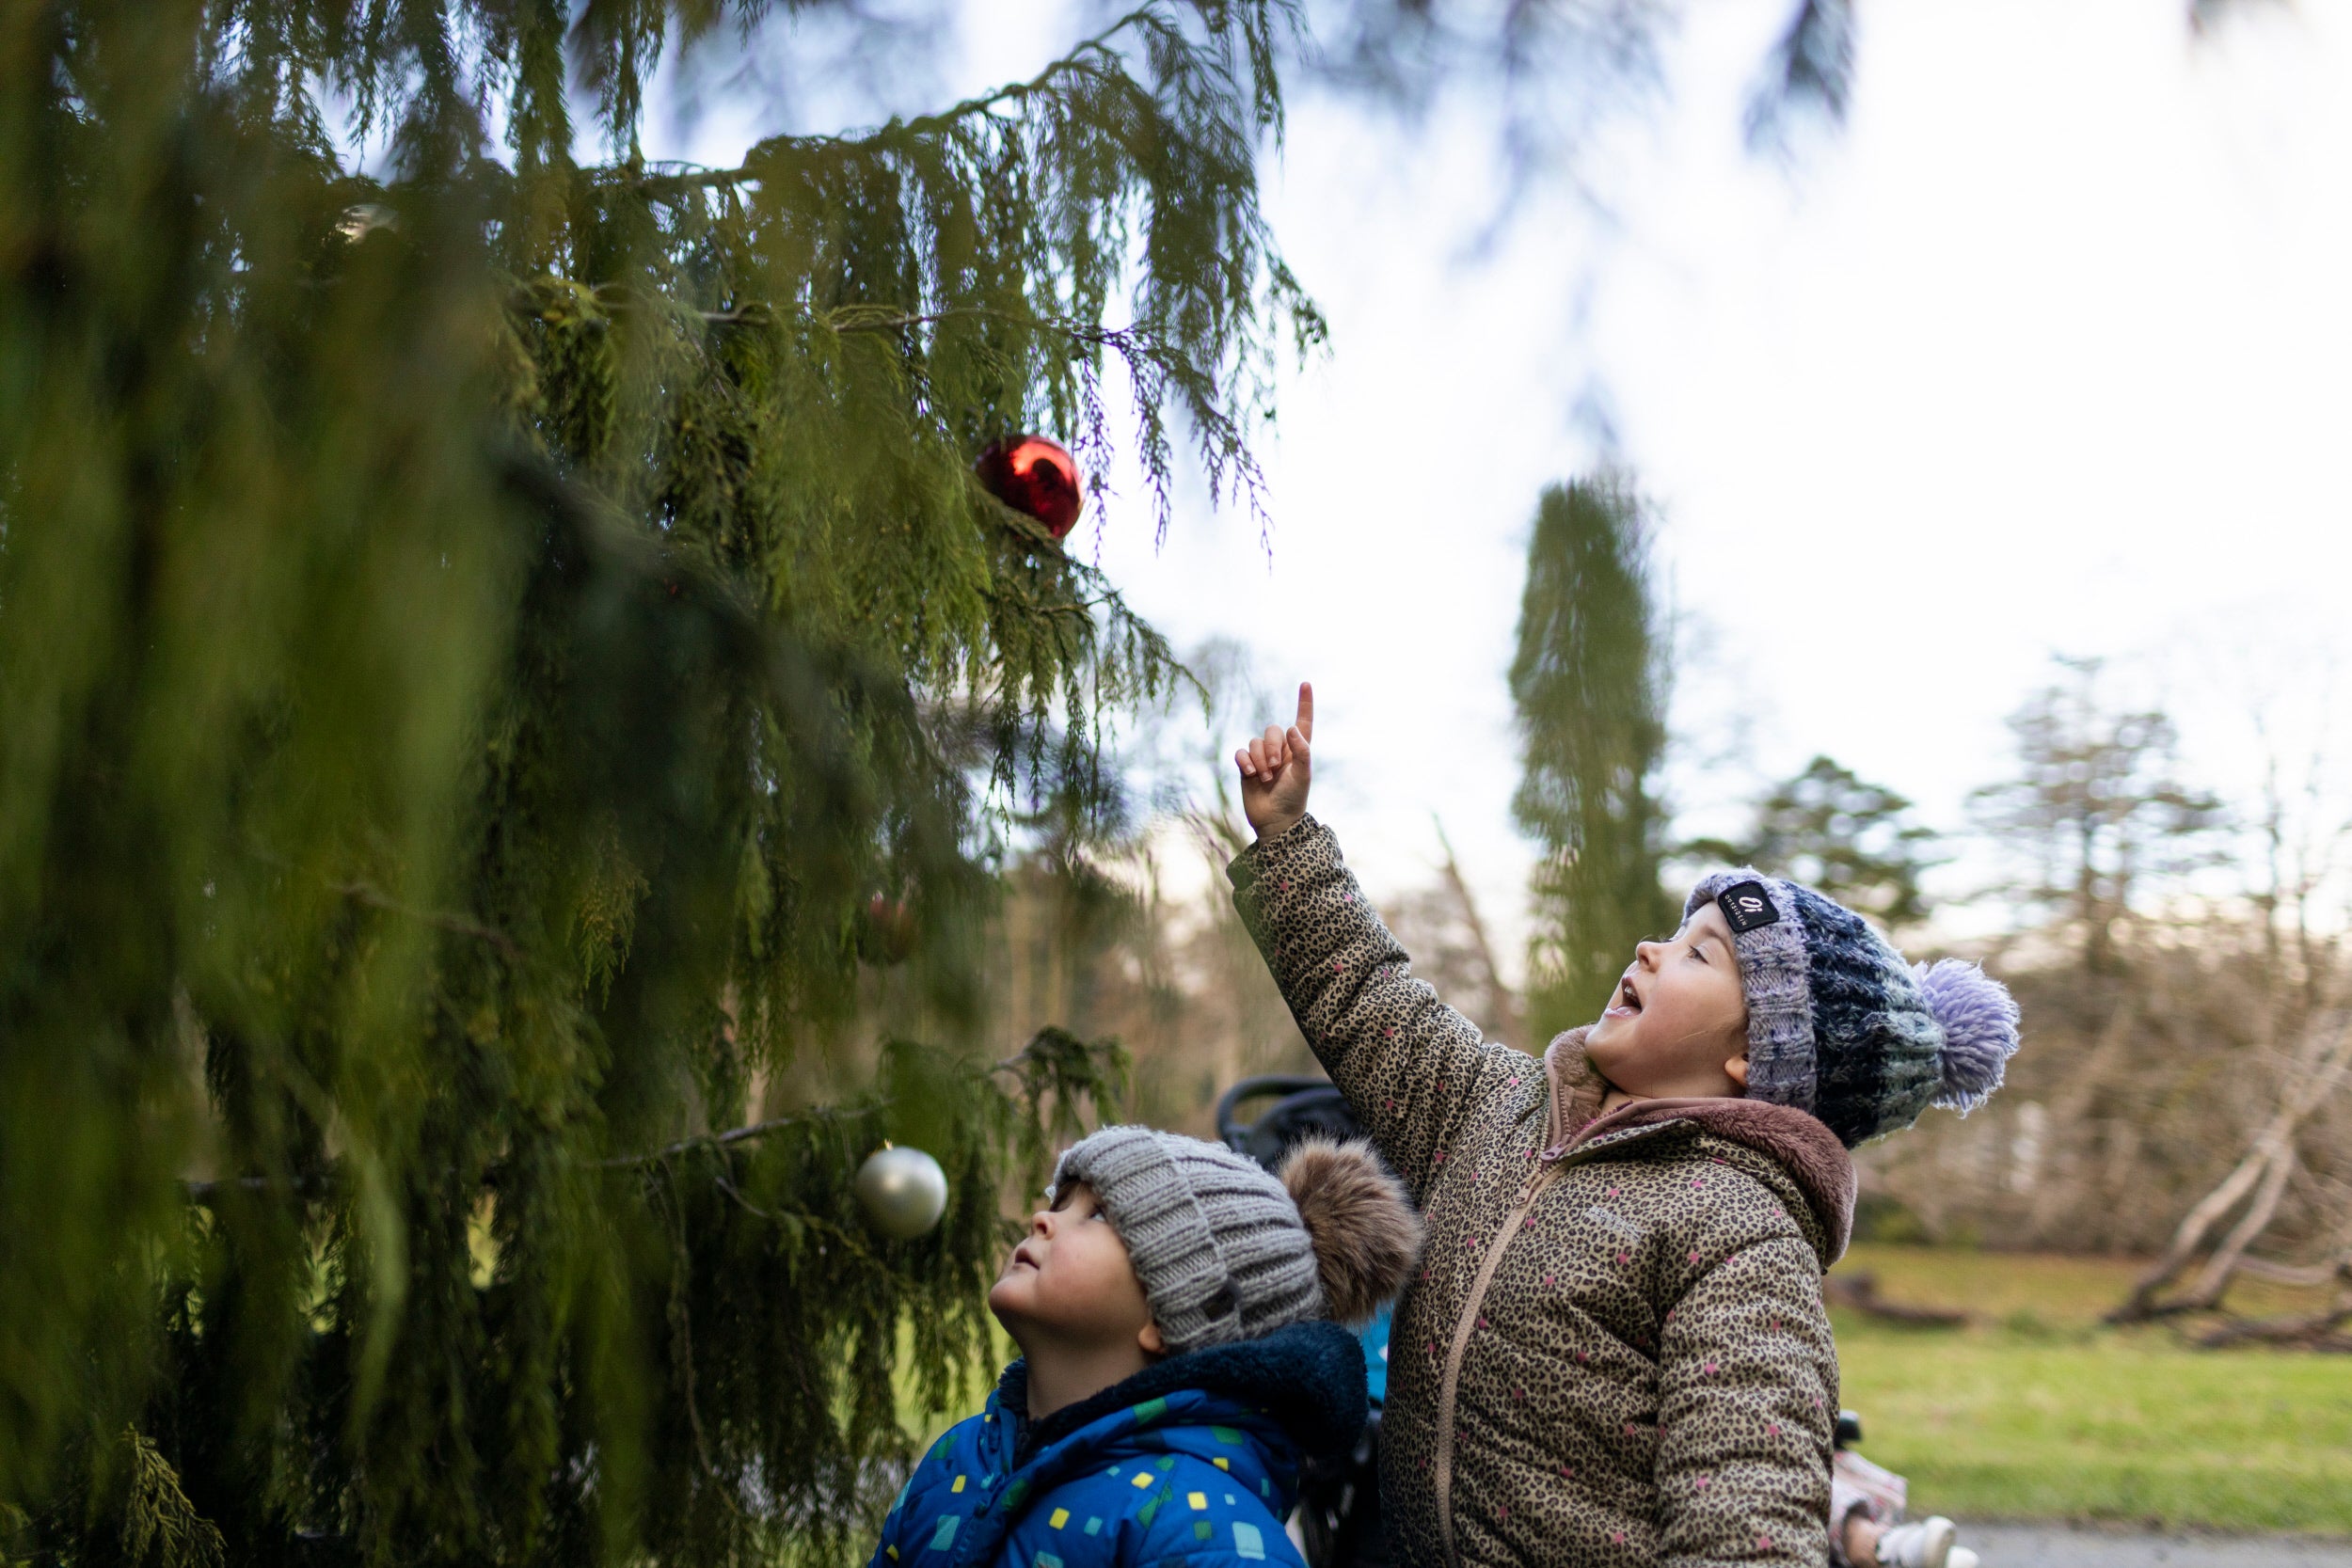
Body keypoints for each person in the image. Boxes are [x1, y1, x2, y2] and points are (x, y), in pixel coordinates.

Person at [1226, 684, 2021, 1568]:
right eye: (1669, 934)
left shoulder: (1739, 1231)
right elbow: (1374, 1004)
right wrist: (1288, 839)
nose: (1650, 948)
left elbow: (1743, 1510)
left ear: (1754, 1061)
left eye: (1697, 953)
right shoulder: (1499, 1109)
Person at [871, 1127, 1425, 1568]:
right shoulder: (961, 1456)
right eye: (1059, 1203)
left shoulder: (1197, 1529)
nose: (1042, 1220)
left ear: (1175, 1311)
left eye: (1098, 1215)